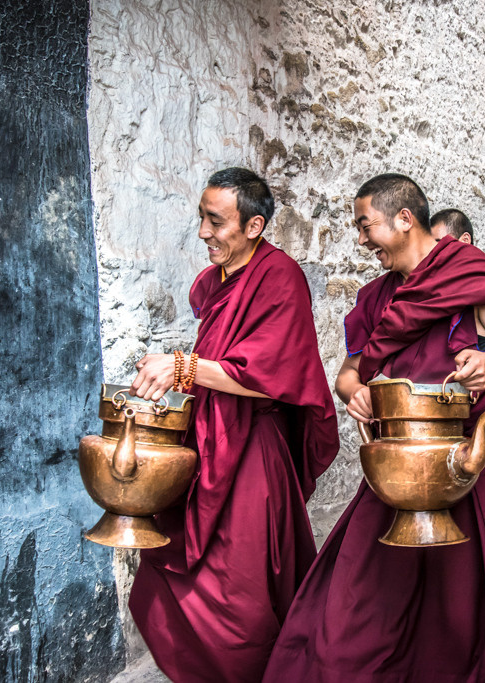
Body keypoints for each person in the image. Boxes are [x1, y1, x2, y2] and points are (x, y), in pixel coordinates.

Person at [264, 173, 485, 682]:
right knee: (356, 600)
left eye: (364, 225)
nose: (360, 239)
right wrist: (355, 393)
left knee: (467, 613)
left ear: (403, 219)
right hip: (399, 469)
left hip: (473, 468)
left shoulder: (473, 281)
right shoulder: (377, 298)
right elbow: (350, 372)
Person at [127, 167, 339, 682]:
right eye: (201, 217)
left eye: (216, 221)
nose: (203, 232)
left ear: (254, 226)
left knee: (239, 593)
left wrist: (181, 366)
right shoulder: (219, 281)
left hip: (251, 455)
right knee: (165, 577)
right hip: (208, 439)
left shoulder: (278, 278)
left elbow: (268, 377)